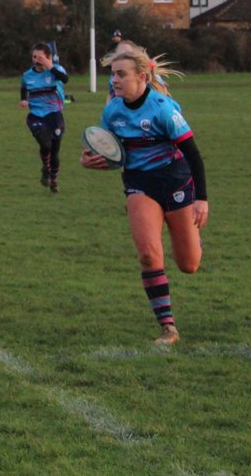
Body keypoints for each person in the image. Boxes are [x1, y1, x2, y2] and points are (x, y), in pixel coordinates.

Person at [81, 46, 207, 346]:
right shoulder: (112, 111)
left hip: (176, 183)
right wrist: (91, 161)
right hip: (140, 186)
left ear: (141, 77)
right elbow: (112, 154)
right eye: (113, 75)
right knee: (149, 255)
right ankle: (168, 327)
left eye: (121, 74)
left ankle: (191, 238)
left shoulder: (163, 109)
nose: (115, 81)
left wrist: (201, 199)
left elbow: (194, 155)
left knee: (189, 264)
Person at [20, 43, 68, 193]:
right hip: (35, 115)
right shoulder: (27, 75)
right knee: (45, 145)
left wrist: (49, 65)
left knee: (55, 151)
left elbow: (64, 79)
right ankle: (46, 169)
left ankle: (54, 180)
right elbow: (23, 88)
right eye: (34, 57)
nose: (36, 60)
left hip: (54, 115)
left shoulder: (56, 71)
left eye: (40, 57)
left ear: (48, 57)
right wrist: (23, 99)